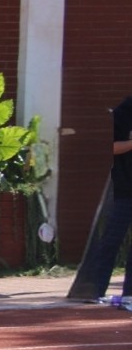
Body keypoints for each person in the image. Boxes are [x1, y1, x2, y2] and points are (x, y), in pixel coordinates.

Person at [75, 96, 132, 303]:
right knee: (110, 240)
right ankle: (94, 289)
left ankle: (129, 294)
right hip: (124, 189)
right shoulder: (124, 112)